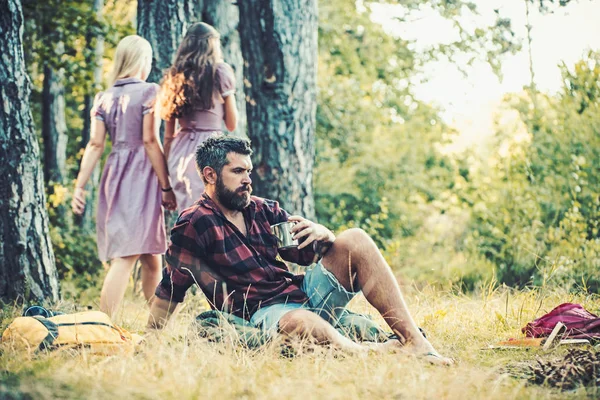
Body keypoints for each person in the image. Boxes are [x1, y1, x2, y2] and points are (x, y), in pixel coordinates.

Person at [147, 136, 453, 365]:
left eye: (249, 171)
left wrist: (324, 234)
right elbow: (172, 287)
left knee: (355, 238)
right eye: (238, 172)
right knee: (299, 322)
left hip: (304, 293)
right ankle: (370, 355)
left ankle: (415, 343)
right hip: (265, 312)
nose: (248, 180)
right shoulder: (194, 222)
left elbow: (304, 255)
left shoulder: (263, 209)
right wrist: (149, 340)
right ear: (210, 175)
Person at [72, 35, 177, 317]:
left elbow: (95, 145)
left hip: (115, 173)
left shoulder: (104, 97)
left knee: (152, 256)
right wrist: (167, 186)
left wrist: (79, 187)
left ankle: (157, 326)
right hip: (141, 175)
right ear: (142, 61)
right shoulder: (149, 91)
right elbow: (149, 140)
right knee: (126, 256)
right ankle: (104, 324)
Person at [158, 22, 238, 212]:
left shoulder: (175, 76)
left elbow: (168, 136)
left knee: (187, 212)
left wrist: (168, 175)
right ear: (212, 44)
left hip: (180, 151)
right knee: (212, 209)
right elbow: (232, 124)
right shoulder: (220, 71)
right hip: (210, 147)